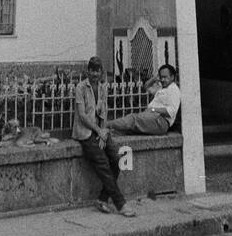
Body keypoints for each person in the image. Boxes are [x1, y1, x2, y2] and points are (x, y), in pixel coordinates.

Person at [72, 57, 136, 217]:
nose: (94, 73)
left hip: (99, 131)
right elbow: (82, 116)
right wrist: (98, 131)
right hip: (85, 133)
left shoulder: (102, 88)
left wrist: (103, 132)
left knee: (117, 159)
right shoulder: (80, 88)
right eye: (92, 70)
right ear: (88, 71)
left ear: (101, 72)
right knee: (103, 163)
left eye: (97, 70)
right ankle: (121, 204)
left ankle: (102, 199)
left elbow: (104, 112)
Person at [109, 65, 181, 136]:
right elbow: (146, 87)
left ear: (172, 77)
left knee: (133, 119)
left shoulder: (173, 90)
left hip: (161, 122)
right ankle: (107, 130)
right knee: (126, 130)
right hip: (153, 118)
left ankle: (106, 125)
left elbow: (172, 111)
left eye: (165, 77)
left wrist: (153, 109)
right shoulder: (162, 88)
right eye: (161, 77)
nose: (162, 80)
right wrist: (154, 78)